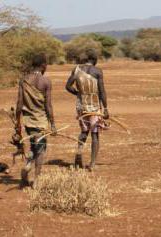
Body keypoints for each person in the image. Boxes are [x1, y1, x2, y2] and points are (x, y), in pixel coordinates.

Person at [15, 54, 57, 187]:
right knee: (41, 149)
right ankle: (36, 180)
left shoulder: (24, 80)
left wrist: (17, 122)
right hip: (41, 121)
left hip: (28, 121)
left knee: (34, 145)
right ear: (43, 65)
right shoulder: (45, 81)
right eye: (46, 64)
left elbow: (19, 103)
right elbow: (48, 105)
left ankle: (27, 165)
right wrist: (53, 124)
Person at [65, 52, 108, 172]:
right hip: (94, 107)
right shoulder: (97, 71)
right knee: (95, 134)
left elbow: (68, 86)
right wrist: (105, 108)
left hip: (81, 106)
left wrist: (78, 94)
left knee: (84, 131)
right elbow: (102, 91)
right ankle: (92, 163)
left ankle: (79, 151)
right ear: (94, 60)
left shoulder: (77, 69)